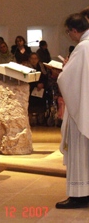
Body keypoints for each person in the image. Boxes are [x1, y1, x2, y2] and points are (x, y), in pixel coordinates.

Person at [56, 13, 89, 209]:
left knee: (79, 151)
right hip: (85, 105)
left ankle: (79, 195)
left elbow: (66, 79)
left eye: (69, 32)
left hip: (81, 111)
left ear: (75, 31)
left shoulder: (82, 48)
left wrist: (65, 68)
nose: (70, 35)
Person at [26, 53, 49, 126]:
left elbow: (45, 77)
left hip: (41, 88)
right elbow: (28, 79)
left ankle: (41, 119)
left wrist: (42, 84)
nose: (34, 60)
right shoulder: (27, 67)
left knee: (42, 102)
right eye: (32, 58)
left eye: (35, 58)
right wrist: (36, 85)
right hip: (31, 88)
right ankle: (32, 120)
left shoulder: (42, 66)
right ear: (29, 59)